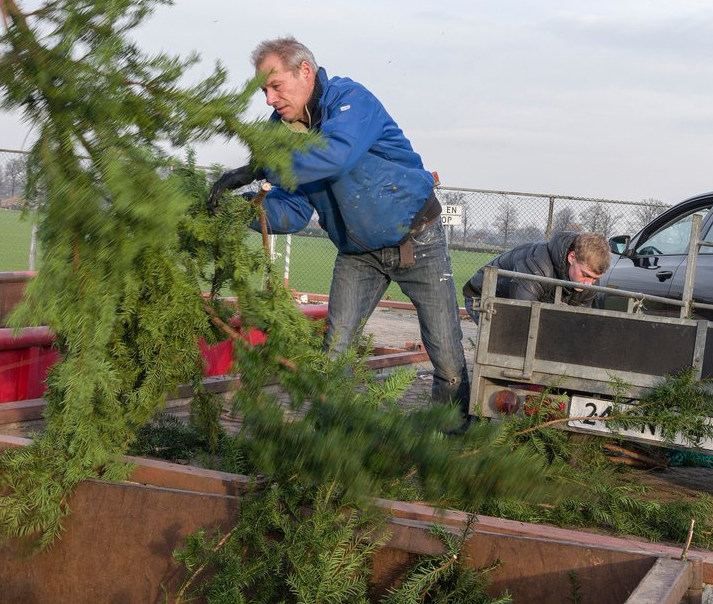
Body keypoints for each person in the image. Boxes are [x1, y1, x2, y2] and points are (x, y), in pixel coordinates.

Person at [207, 36, 471, 412]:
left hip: (417, 241)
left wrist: (258, 167)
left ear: (305, 71)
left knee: (445, 353)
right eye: (264, 90)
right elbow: (294, 210)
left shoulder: (350, 100)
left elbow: (335, 156)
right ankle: (335, 424)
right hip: (357, 253)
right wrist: (243, 209)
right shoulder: (280, 131)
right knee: (335, 351)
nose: (269, 99)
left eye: (275, 86)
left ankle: (452, 431)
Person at [461, 231, 611, 324]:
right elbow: (521, 314)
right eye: (585, 274)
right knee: (507, 343)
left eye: (594, 278)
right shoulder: (537, 266)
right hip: (485, 298)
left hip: (531, 305)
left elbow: (577, 323)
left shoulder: (590, 282)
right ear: (572, 257)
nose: (588, 283)